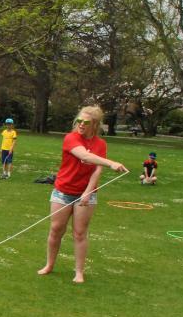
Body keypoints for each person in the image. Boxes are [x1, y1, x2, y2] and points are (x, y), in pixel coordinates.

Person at [37, 106, 127, 284]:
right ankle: (49, 265)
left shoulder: (100, 144)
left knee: (80, 233)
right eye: (79, 121)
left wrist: (88, 192)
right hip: (63, 190)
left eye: (86, 122)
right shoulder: (71, 138)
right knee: (56, 229)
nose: (81, 125)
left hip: (87, 194)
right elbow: (84, 156)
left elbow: (96, 169)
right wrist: (112, 163)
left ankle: (79, 272)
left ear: (94, 124)